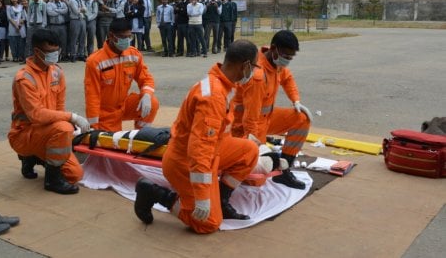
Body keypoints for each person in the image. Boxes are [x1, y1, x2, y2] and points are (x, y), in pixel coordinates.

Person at [134, 40, 260, 234]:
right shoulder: (213, 96)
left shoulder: (223, 84)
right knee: (208, 223)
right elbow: (199, 150)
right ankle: (156, 194)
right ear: (246, 66)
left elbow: (219, 132)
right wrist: (202, 197)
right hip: (185, 163)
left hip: (213, 152)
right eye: (254, 67)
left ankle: (221, 200)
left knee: (249, 151)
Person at [8, 28, 90, 194]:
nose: (55, 55)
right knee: (64, 128)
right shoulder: (24, 78)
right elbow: (36, 115)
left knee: (75, 175)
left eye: (56, 51)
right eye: (50, 52)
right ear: (37, 51)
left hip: (47, 131)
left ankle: (33, 157)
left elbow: (59, 107)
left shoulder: (57, 72)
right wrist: (72, 118)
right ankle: (52, 180)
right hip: (24, 134)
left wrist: (68, 124)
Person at [232, 30, 313, 189]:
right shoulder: (258, 75)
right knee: (257, 179)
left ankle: (284, 170)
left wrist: (295, 100)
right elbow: (250, 118)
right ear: (274, 48)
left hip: (266, 118)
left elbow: (287, 78)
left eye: (291, 58)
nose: (287, 61)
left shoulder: (276, 63)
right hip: (246, 127)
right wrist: (256, 145)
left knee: (302, 118)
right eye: (286, 56)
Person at [84, 18, 159, 131]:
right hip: (105, 113)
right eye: (123, 37)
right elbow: (92, 95)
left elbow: (146, 78)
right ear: (111, 36)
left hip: (124, 105)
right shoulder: (95, 61)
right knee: (111, 145)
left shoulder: (133, 54)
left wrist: (147, 95)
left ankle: (140, 136)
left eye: (129, 36)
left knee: (152, 103)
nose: (127, 40)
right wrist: (94, 127)